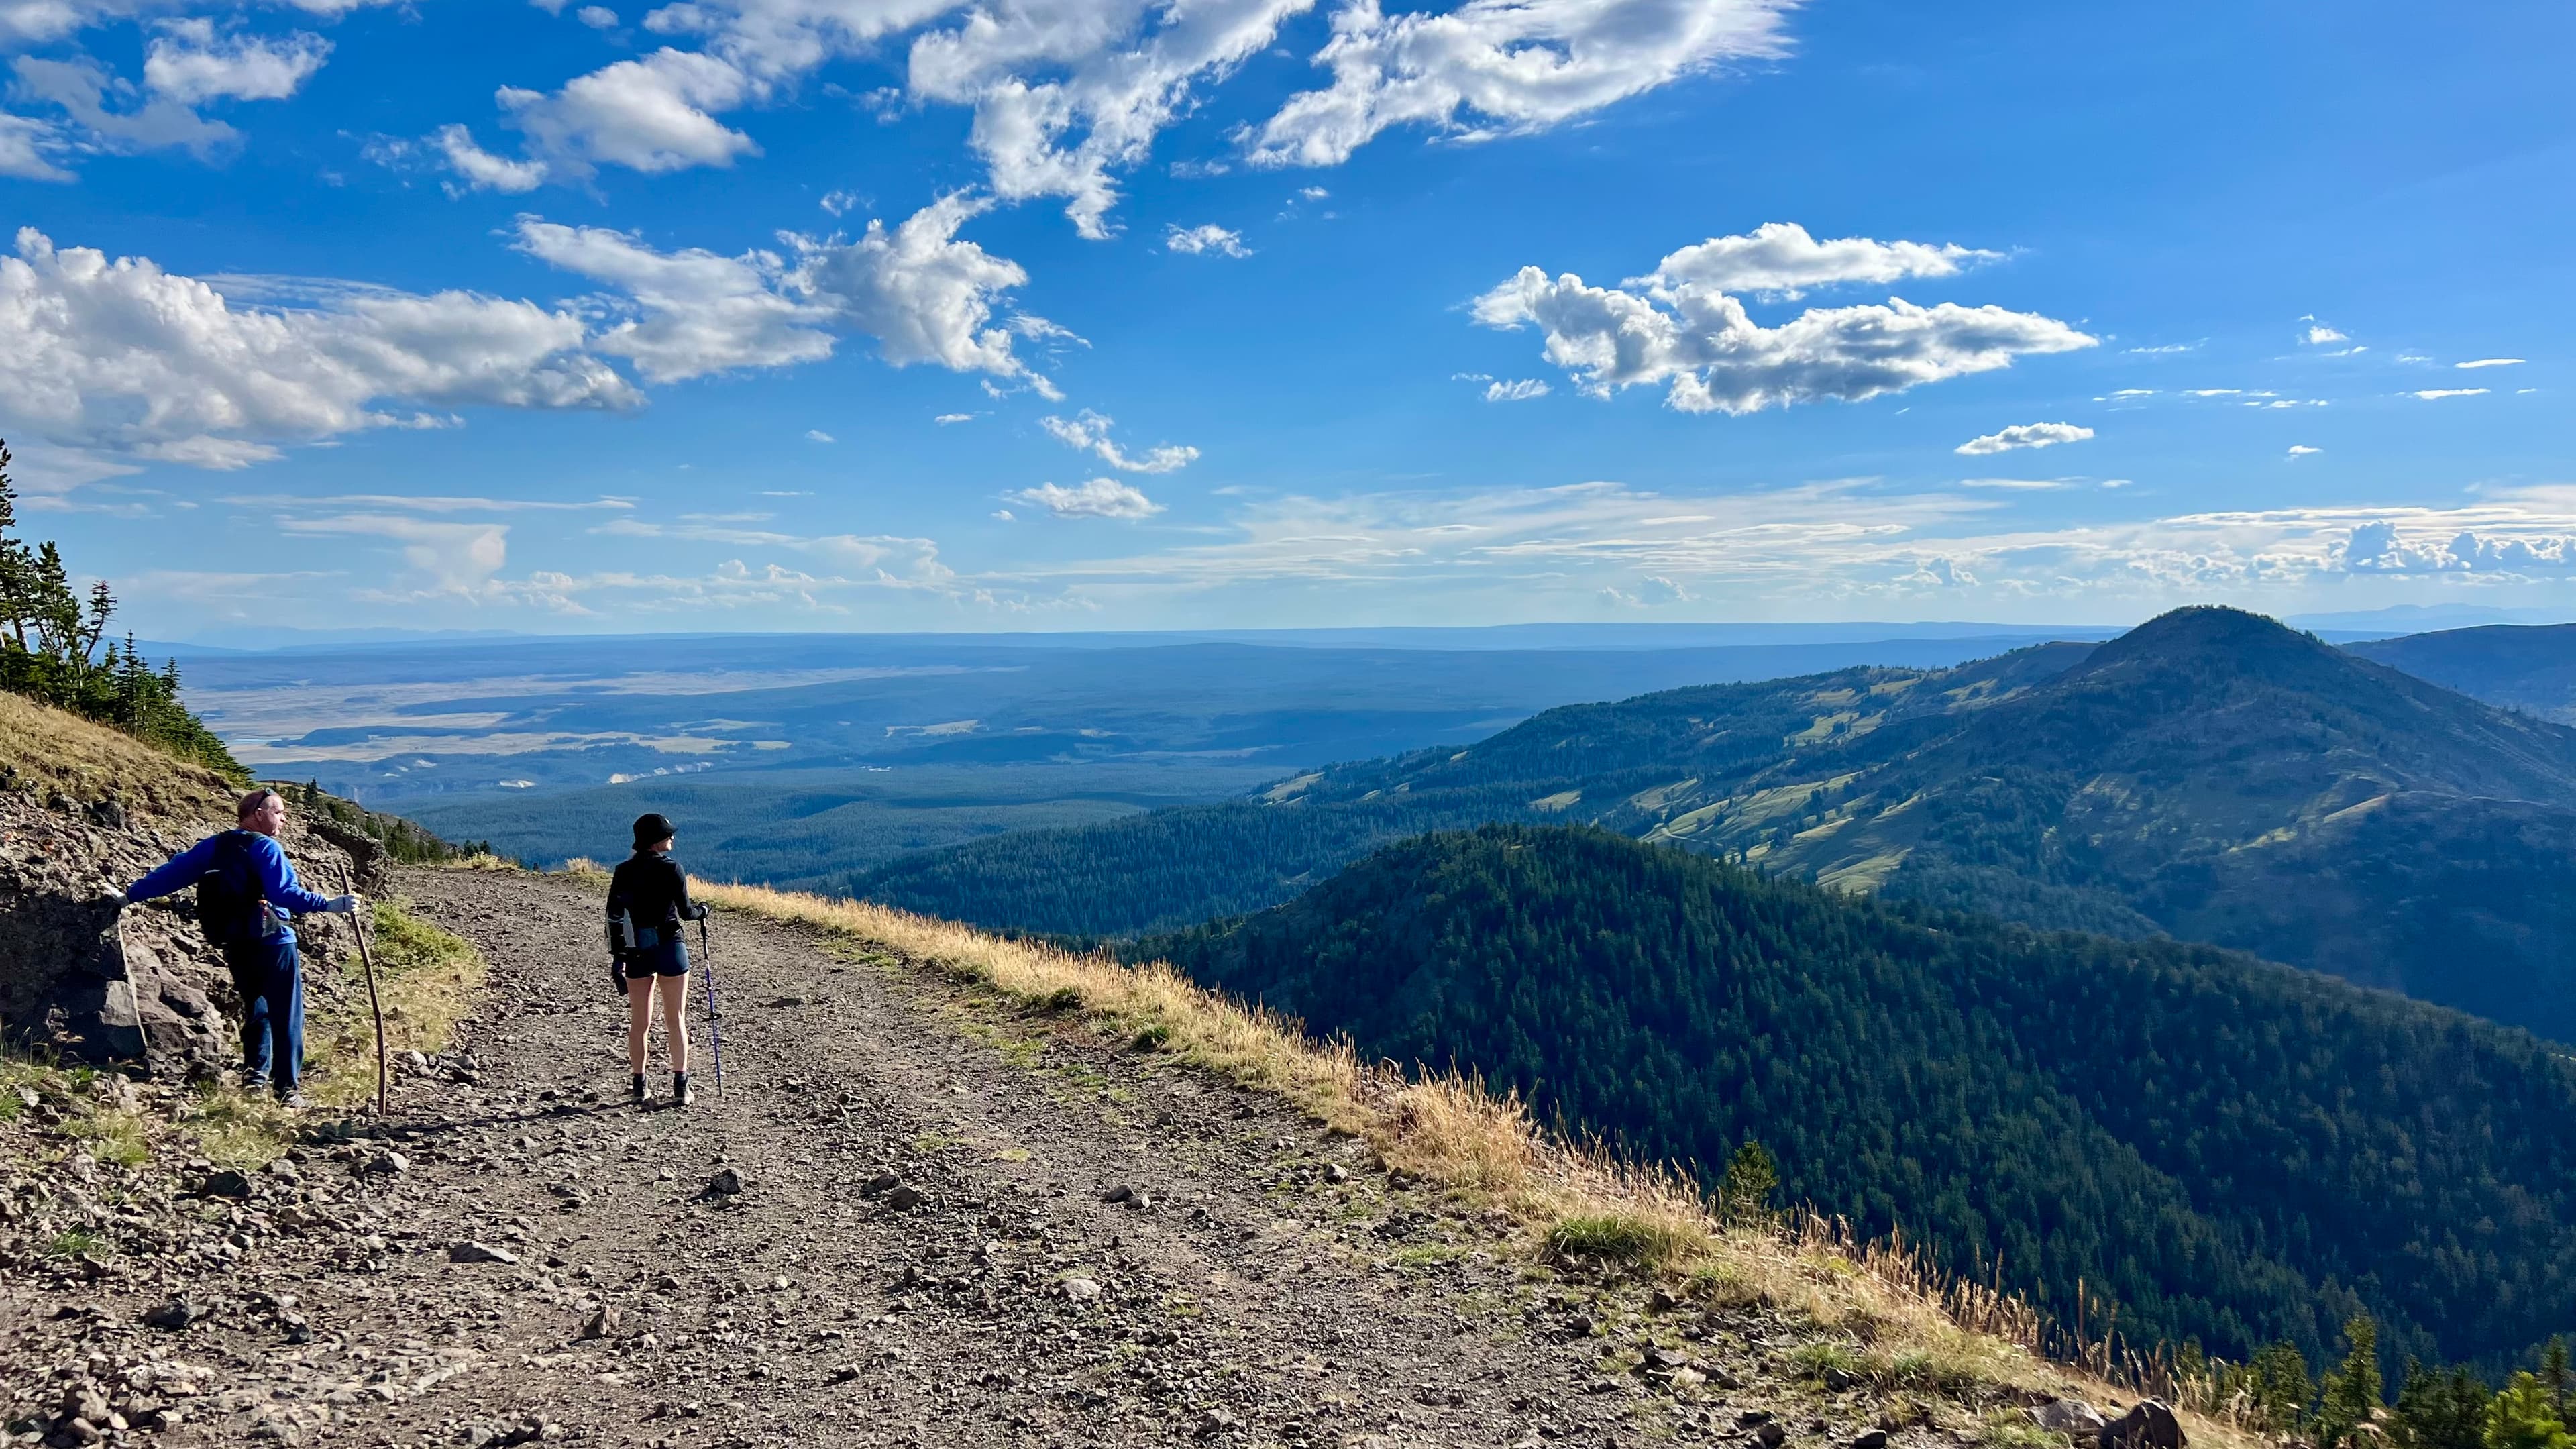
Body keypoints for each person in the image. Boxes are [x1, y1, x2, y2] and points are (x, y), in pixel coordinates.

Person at [116, 788, 356, 1106]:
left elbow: (172, 874)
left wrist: (129, 896)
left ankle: (255, 1076)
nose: (284, 819)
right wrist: (327, 904)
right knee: (287, 1013)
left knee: (256, 1008)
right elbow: (284, 892)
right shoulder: (266, 847)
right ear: (259, 813)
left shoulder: (215, 846)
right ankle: (287, 1090)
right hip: (274, 940)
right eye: (279, 812)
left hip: (235, 942)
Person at [606, 812, 708, 1107]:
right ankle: (681, 1086)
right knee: (676, 1019)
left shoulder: (623, 871)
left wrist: (618, 957)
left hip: (637, 950)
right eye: (667, 834)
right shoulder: (672, 869)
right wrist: (704, 911)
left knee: (640, 1023)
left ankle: (639, 1085)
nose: (672, 837)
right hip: (670, 948)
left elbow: (615, 917)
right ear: (655, 841)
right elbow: (687, 913)